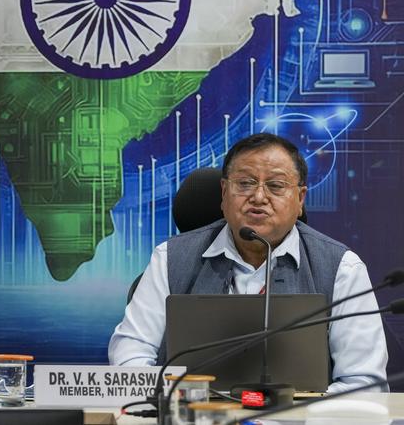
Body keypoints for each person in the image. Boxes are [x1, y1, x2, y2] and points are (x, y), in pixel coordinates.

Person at [109, 133, 388, 392]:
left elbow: (364, 384)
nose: (258, 197)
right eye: (245, 184)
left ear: (300, 198)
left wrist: (293, 414)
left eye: (276, 186)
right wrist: (183, 402)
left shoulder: (342, 268)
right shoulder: (170, 258)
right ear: (224, 193)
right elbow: (130, 355)